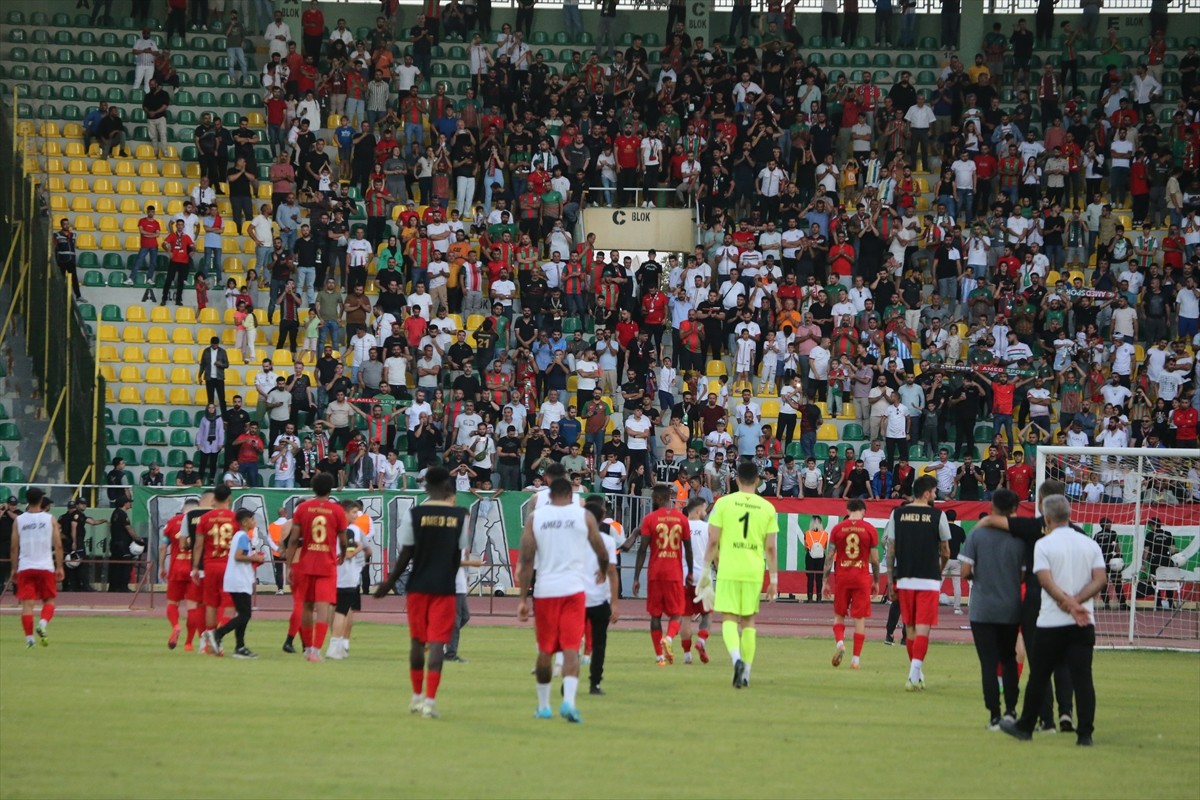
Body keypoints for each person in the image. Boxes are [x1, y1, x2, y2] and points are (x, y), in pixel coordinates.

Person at [1001, 495, 1106, 747]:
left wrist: (1067, 604)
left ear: (1047, 518)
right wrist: (1078, 602)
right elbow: (1100, 579)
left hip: (1050, 622)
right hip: (1082, 622)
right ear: (1069, 515)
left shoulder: (1044, 545)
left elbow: (1045, 581)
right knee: (1083, 678)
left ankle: (1026, 726)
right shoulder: (1089, 543)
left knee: (1038, 676)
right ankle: (1085, 734)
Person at [375, 467, 469, 717]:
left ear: (426, 487)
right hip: (445, 588)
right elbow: (456, 557)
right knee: (438, 643)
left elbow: (406, 554)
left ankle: (415, 697)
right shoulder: (460, 516)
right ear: (449, 488)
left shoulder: (415, 514)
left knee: (417, 642)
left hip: (418, 586)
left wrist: (388, 583)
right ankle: (430, 701)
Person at [517, 476, 609, 723]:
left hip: (545, 590)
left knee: (546, 649)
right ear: (571, 495)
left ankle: (544, 706)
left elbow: (526, 561)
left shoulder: (536, 518)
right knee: (570, 648)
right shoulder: (583, 516)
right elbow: (601, 548)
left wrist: (523, 599)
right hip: (573, 590)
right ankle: (569, 702)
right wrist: (602, 569)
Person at [702, 460, 779, 689]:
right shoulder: (767, 507)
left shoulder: (723, 503)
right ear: (757, 480)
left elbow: (713, 540)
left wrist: (705, 572)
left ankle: (735, 659)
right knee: (748, 622)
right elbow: (772, 548)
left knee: (728, 618)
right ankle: (746, 672)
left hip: (729, 567)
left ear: (736, 480)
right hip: (753, 569)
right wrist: (774, 579)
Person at [960, 489, 1026, 730]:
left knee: (988, 663)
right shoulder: (1020, 538)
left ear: (992, 508)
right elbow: (1022, 575)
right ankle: (1011, 711)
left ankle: (994, 716)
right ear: (1014, 510)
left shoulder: (977, 535)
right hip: (1009, 606)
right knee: (1009, 659)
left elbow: (965, 572)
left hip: (982, 608)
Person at [884, 474, 951, 692]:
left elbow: (891, 549)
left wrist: (891, 577)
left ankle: (916, 674)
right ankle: (914, 675)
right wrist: (939, 571)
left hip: (905, 578)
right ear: (926, 493)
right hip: (928, 579)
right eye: (933, 491)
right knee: (923, 629)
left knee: (910, 628)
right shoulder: (938, 515)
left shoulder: (898, 514)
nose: (935, 495)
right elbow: (946, 552)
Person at [287, 472, 350, 662]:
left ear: (313, 488)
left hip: (306, 562)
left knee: (306, 606)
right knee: (323, 608)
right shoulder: (337, 511)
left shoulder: (303, 509)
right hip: (327, 564)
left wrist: (290, 565)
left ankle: (307, 649)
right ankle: (315, 650)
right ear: (330, 489)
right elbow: (343, 540)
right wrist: (344, 554)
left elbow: (293, 540)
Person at [632, 483, 694, 666]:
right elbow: (688, 549)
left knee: (655, 615)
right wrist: (690, 571)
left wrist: (636, 577)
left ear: (659, 499)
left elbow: (642, 550)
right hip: (674, 573)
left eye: (652, 499)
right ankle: (668, 638)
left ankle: (659, 656)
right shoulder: (682, 519)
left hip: (655, 573)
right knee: (677, 614)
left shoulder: (650, 519)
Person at [824, 499, 880, 670]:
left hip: (842, 576)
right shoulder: (869, 529)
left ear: (847, 510)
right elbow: (875, 560)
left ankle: (840, 643)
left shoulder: (837, 529)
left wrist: (824, 581)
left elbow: (829, 557)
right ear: (863, 511)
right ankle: (855, 660)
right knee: (859, 618)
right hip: (861, 577)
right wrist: (876, 581)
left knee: (839, 614)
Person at [211, 509, 266, 659]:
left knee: (243, 614)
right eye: (252, 519)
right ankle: (218, 633)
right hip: (239, 581)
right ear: (244, 522)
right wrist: (255, 558)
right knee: (245, 615)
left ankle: (240, 646)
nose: (254, 522)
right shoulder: (242, 535)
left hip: (237, 580)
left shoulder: (239, 536)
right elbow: (238, 556)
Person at [12, 488, 63, 647]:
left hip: (26, 566)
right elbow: (58, 545)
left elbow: (14, 548)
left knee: (27, 604)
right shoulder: (50, 519)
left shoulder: (19, 520)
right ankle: (42, 623)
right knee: (49, 600)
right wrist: (60, 566)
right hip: (45, 566)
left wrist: (14, 568)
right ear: (41, 501)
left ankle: (29, 640)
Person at [192, 485, 238, 653]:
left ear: (213, 499)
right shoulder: (235, 518)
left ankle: (209, 640)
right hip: (229, 566)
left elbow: (198, 545)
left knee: (210, 604)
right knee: (230, 606)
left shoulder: (205, 518)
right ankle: (217, 637)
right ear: (229, 498)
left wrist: (196, 567)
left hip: (210, 565)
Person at [582, 499, 619, 693]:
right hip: (598, 598)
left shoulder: (573, 538)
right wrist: (614, 603)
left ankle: (568, 680)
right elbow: (612, 572)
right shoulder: (607, 541)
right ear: (602, 518)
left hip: (576, 598)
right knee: (600, 643)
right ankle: (595, 682)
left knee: (570, 641)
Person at [329, 500, 373, 660]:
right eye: (354, 512)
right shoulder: (350, 530)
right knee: (343, 611)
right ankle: (338, 645)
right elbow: (348, 555)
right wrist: (359, 547)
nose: (356, 515)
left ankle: (336, 643)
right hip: (346, 576)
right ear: (344, 513)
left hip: (333, 574)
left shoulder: (331, 527)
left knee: (332, 610)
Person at [159, 500, 199, 651]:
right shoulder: (202, 523)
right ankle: (188, 643)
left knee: (172, 603)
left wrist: (162, 567)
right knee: (192, 607)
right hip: (194, 570)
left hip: (176, 568)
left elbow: (163, 547)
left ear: (183, 509)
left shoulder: (173, 522)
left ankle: (176, 626)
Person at [680, 497, 711, 664]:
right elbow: (715, 552)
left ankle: (686, 655)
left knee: (685, 617)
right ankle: (701, 641)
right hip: (703, 576)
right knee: (706, 615)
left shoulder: (680, 526)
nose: (706, 512)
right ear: (698, 510)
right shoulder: (707, 528)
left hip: (684, 576)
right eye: (705, 509)